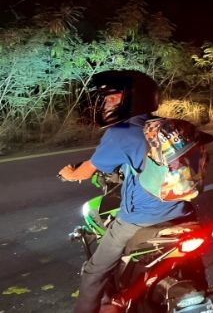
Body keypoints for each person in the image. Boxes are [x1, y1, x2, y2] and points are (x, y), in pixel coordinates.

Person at [58, 70, 195, 313]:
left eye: (113, 98)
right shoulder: (163, 126)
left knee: (93, 271)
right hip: (183, 211)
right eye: (106, 99)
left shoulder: (121, 133)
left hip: (141, 217)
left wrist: (69, 173)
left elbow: (84, 172)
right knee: (191, 257)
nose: (106, 104)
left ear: (133, 98)